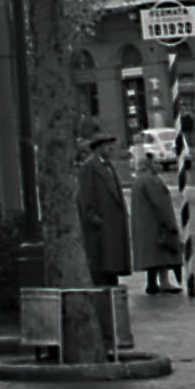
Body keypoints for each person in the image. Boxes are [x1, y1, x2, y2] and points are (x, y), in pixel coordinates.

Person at [74, 122, 132, 287]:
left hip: (113, 222)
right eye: (107, 145)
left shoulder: (109, 166)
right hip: (102, 224)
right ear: (99, 147)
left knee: (112, 259)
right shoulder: (89, 167)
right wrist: (94, 217)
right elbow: (85, 195)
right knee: (102, 260)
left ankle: (112, 280)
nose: (111, 148)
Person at [131, 150, 184, 293]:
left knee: (151, 255)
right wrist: (169, 223)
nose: (158, 165)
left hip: (144, 225)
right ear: (148, 165)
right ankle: (164, 282)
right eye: (154, 163)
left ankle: (152, 283)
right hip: (155, 224)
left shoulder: (138, 181)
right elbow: (160, 204)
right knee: (161, 253)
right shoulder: (151, 180)